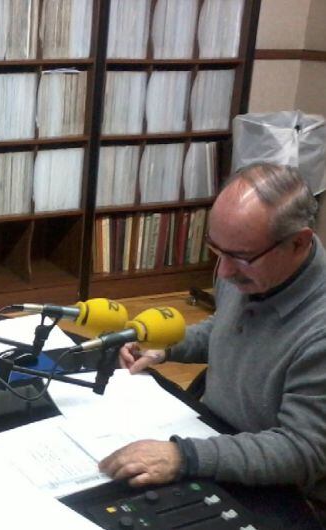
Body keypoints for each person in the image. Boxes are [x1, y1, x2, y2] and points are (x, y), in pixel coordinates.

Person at [99, 163, 326, 515]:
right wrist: (165, 345)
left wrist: (184, 455)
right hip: (216, 438)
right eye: (216, 250)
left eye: (240, 257)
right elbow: (227, 327)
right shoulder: (250, 271)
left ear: (299, 242)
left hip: (287, 493)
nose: (223, 272)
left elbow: (302, 450)